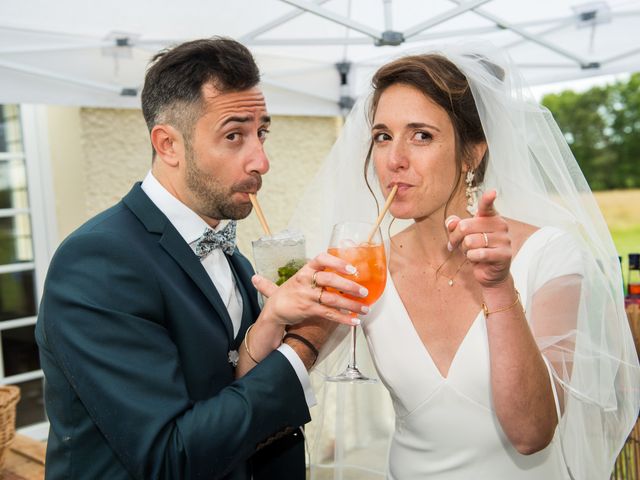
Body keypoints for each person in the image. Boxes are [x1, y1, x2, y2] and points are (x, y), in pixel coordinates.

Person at [290, 43, 640, 480]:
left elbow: (532, 433)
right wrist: (277, 318)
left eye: (421, 135)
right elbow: (278, 379)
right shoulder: (367, 266)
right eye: (383, 136)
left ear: (473, 152)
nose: (394, 160)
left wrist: (497, 286)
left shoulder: (549, 253)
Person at [35, 37, 369, 480]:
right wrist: (305, 342)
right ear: (168, 144)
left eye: (261, 132)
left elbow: (235, 389)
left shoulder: (231, 254)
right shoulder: (97, 262)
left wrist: (270, 323)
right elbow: (168, 459)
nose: (262, 161)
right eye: (234, 135)